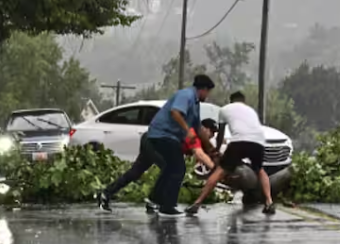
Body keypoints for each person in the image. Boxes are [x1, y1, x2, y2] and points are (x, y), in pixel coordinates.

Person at [97, 118, 219, 212]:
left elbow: (203, 159)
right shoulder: (192, 133)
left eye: (214, 134)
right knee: (171, 169)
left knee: (135, 172)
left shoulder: (201, 141)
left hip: (152, 140)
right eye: (211, 132)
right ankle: (158, 202)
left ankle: (106, 193)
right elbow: (200, 155)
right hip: (153, 141)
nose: (212, 136)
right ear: (203, 128)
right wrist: (214, 168)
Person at [185, 91, 275, 215]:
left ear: (231, 101)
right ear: (243, 101)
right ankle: (269, 202)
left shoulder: (225, 109)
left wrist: (216, 150)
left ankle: (197, 203)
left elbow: (220, 134)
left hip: (239, 141)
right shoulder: (251, 111)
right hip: (258, 141)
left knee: (219, 171)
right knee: (260, 170)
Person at [145, 74, 216, 216]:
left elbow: (198, 129)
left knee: (170, 167)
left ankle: (154, 199)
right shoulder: (186, 95)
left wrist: (211, 149)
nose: (208, 95)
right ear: (202, 89)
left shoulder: (195, 104)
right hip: (162, 134)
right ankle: (167, 206)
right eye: (208, 92)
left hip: (169, 137)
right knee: (178, 168)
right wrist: (186, 130)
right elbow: (175, 112)